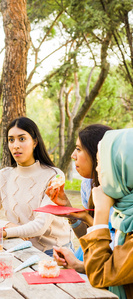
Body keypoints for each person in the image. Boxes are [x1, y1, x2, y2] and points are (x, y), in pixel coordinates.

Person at [0, 116, 71, 254]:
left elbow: (40, 226)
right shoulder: (4, 176)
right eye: (11, 140)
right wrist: (8, 225)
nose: (15, 145)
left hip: (54, 252)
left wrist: (4, 232)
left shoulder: (54, 175)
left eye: (22, 139)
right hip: (18, 247)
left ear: (34, 142)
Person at [47, 124, 113, 272]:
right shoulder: (87, 184)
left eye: (78, 149)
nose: (73, 155)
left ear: (97, 154)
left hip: (111, 263)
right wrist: (70, 211)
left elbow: (113, 256)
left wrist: (87, 218)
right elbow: (89, 237)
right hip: (93, 255)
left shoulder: (123, 192)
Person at [80, 128, 133, 299]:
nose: (98, 170)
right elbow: (118, 269)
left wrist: (101, 213)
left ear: (121, 169)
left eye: (100, 163)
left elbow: (100, 275)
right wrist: (79, 265)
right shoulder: (127, 216)